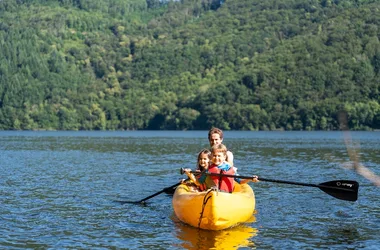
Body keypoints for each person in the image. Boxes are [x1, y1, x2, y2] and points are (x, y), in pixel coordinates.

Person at [184, 144, 258, 192]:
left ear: (224, 157)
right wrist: (190, 175)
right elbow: (198, 183)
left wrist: (250, 178)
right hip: (211, 194)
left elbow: (240, 181)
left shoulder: (229, 169)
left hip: (225, 196)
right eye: (214, 155)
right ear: (210, 157)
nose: (216, 158)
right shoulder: (208, 170)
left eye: (219, 156)